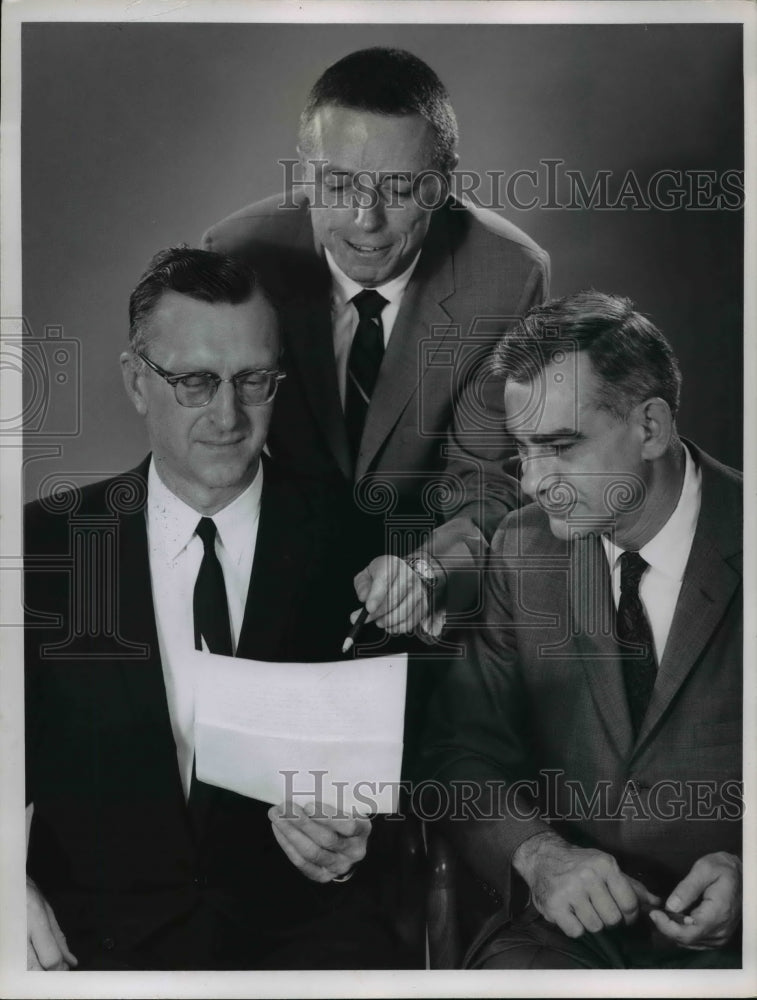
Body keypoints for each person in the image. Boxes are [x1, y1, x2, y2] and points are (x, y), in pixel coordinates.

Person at [24, 247, 406, 971]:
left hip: (306, 948)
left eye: (253, 380)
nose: (227, 415)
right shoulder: (41, 548)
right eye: (195, 382)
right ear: (137, 382)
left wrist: (362, 842)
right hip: (93, 952)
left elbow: (420, 764)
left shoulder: (360, 539)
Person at [420, 291, 742, 968]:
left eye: (559, 447)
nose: (533, 481)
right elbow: (461, 756)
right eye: (522, 450)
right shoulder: (518, 549)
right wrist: (540, 857)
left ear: (649, 427)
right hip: (559, 936)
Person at [203, 46, 550, 638]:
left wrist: (427, 572)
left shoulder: (506, 278)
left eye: (399, 188)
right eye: (338, 184)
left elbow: (488, 483)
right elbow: (215, 447)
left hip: (429, 598)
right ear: (306, 173)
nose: (366, 219)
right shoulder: (237, 256)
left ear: (441, 185)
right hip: (268, 572)